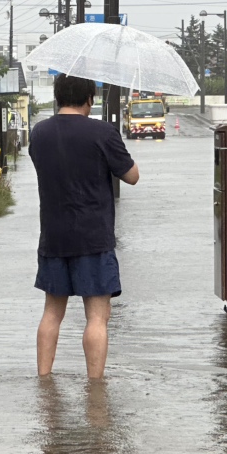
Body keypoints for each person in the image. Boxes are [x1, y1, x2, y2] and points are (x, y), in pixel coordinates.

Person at [29, 74, 140, 379]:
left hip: (53, 236)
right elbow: (131, 176)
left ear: (58, 96)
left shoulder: (39, 133)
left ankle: (44, 380)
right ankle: (95, 388)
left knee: (52, 312)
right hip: (93, 236)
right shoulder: (102, 132)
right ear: (90, 98)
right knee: (97, 316)